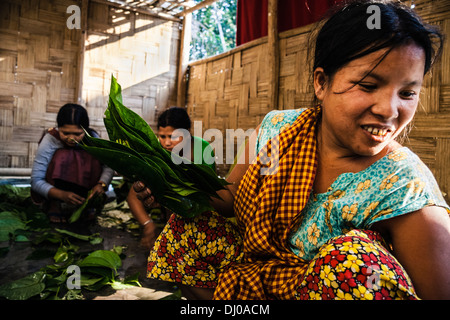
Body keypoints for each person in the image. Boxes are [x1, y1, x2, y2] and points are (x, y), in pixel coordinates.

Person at [133, 0, 450, 300]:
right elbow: (230, 198)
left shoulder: (406, 187)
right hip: (251, 273)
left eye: (407, 92)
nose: (389, 109)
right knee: (188, 222)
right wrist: (173, 186)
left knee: (353, 266)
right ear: (321, 83)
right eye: (368, 86)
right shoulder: (279, 129)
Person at [127, 106, 216, 249]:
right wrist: (148, 224)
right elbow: (132, 197)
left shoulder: (202, 150)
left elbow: (210, 195)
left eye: (173, 137)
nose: (167, 143)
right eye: (162, 136)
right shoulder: (158, 152)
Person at [31, 103, 114, 223]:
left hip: (86, 189)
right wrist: (61, 195)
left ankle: (87, 204)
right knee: (63, 155)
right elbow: (36, 180)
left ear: (85, 130)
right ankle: (54, 204)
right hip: (57, 190)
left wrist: (101, 185)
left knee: (93, 157)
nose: (71, 138)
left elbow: (108, 166)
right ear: (58, 128)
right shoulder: (50, 139)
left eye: (77, 134)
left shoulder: (92, 137)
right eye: (65, 133)